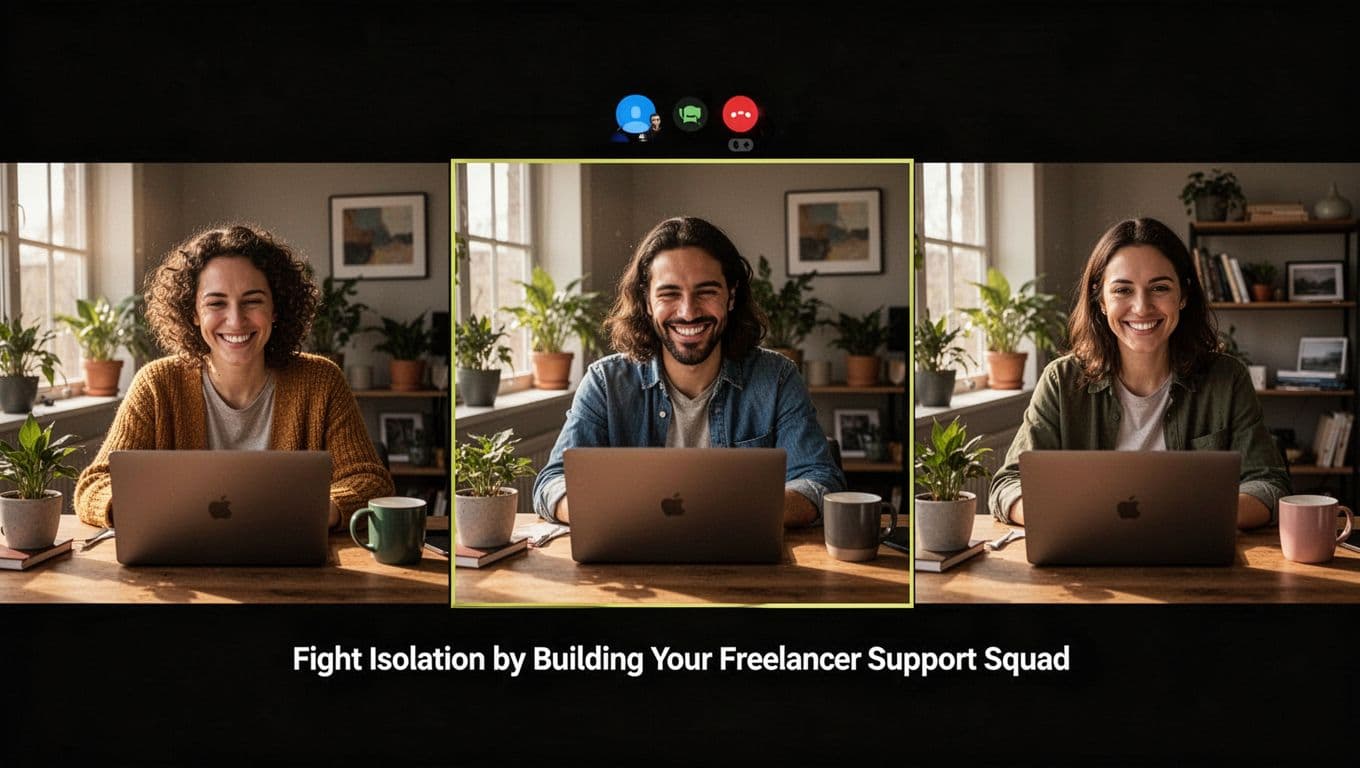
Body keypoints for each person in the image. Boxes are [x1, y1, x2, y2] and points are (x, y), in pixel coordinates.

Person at [532, 216, 845, 528]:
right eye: (669, 294)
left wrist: (720, 514)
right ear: (647, 302)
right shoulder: (605, 384)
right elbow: (552, 483)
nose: (688, 312)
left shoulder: (777, 378)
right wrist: (622, 515)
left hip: (743, 556)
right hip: (633, 553)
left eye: (706, 291)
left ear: (731, 296)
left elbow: (820, 482)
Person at [74, 224, 394, 529]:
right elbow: (94, 485)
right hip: (181, 560)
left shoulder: (322, 381)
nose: (236, 320)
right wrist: (141, 509)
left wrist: (317, 511)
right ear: (193, 313)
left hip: (291, 560)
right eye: (216, 303)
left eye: (252, 301)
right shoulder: (156, 384)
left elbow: (371, 482)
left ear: (276, 309)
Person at [989, 217, 1289, 530]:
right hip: (1087, 548)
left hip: (1192, 551)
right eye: (1123, 290)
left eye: (1159, 288)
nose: (1142, 307)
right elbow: (1008, 485)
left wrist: (1186, 517)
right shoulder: (1060, 381)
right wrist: (1078, 517)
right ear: (1101, 301)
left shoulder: (1227, 379)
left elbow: (1268, 485)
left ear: (1183, 295)